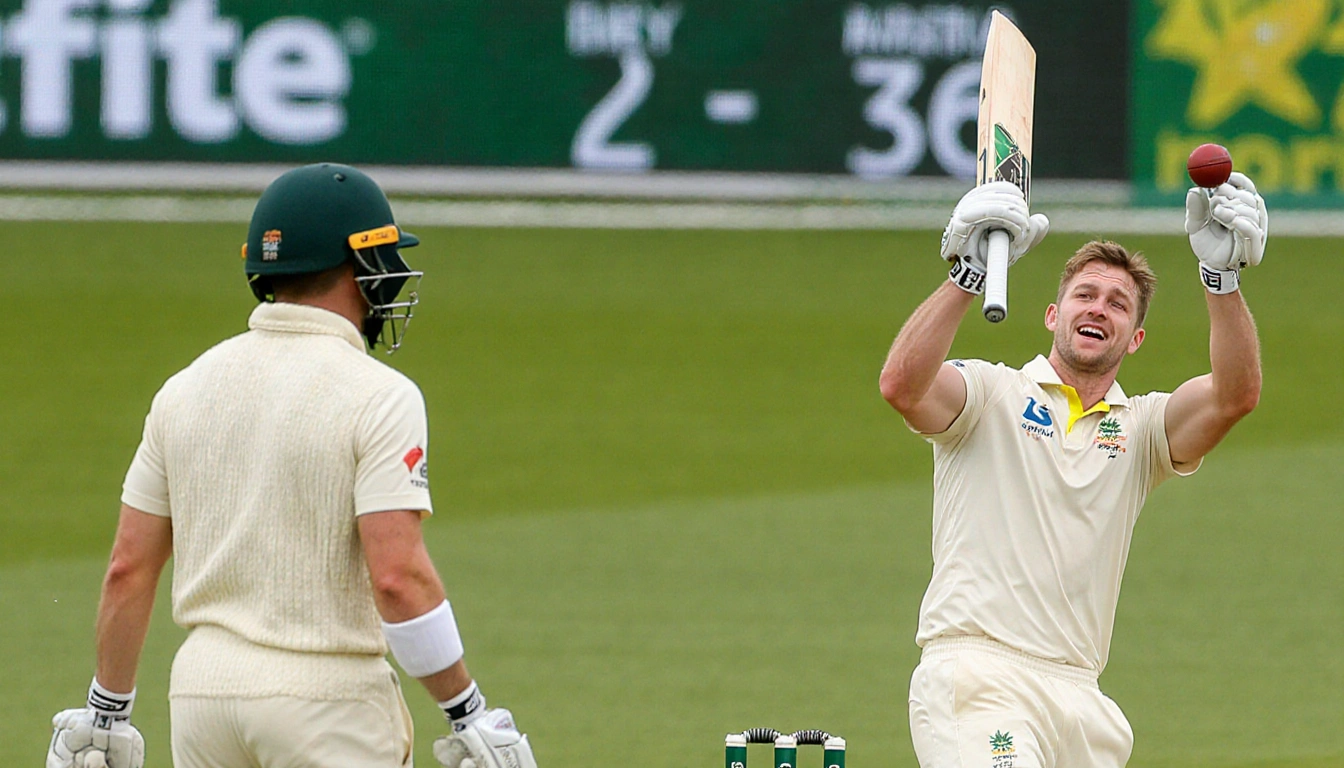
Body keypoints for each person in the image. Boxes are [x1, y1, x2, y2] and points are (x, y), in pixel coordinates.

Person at [47, 163, 538, 768]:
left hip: (202, 698)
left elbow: (128, 566)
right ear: (360, 269)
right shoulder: (381, 395)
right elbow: (397, 577)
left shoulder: (183, 389)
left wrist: (106, 714)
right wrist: (467, 711)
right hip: (327, 704)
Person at [880, 174, 1266, 768]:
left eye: (1117, 304)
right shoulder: (991, 392)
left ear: (1134, 339)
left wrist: (1223, 282)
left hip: (1082, 700)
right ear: (1054, 314)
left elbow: (1233, 396)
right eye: (1086, 295)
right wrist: (967, 276)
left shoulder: (1140, 431)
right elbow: (903, 387)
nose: (1099, 309)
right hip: (982, 678)